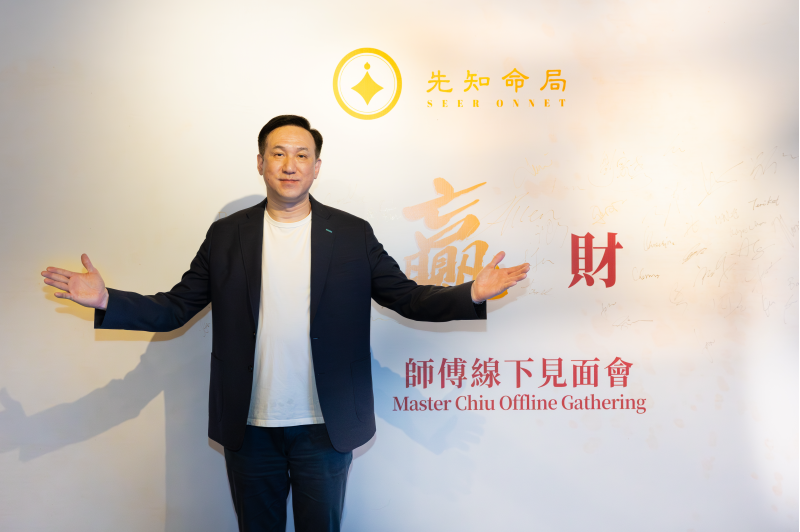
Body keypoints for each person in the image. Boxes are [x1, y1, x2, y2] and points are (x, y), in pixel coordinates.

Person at [41, 115, 530, 532]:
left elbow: (405, 297)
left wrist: (469, 293)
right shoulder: (227, 235)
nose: (289, 165)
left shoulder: (352, 233)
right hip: (250, 426)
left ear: (317, 166)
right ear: (260, 163)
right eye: (278, 154)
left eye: (301, 155)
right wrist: (107, 299)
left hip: (325, 426)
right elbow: (176, 307)